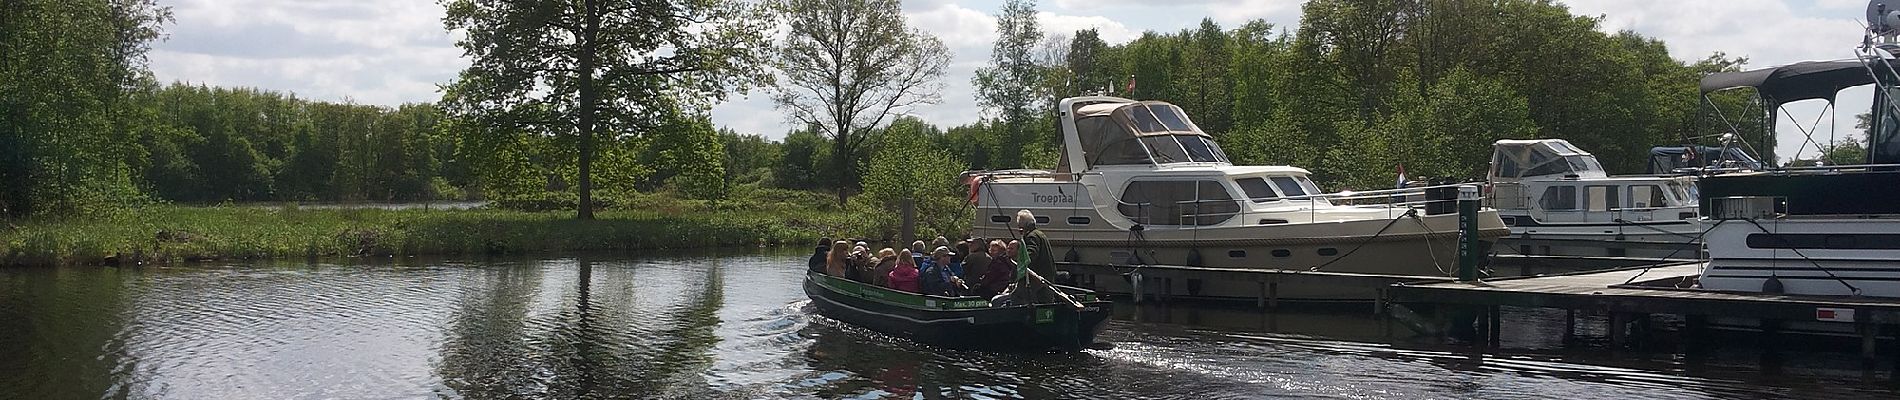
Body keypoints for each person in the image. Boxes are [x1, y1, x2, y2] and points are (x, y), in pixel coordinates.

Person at [1016, 209, 1057, 303]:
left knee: (1017, 297)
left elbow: (1031, 254)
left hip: (1038, 279)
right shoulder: (1040, 234)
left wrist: (1020, 260)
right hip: (1047, 277)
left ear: (1023, 226)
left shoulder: (1032, 237)